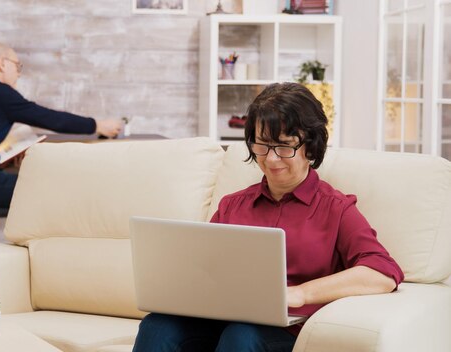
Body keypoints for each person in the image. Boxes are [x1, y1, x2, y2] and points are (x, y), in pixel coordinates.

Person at [132, 82, 404, 352]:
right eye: (262, 145)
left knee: (241, 336)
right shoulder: (233, 205)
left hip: (286, 330)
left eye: (284, 146)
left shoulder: (335, 208)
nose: (272, 159)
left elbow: (383, 272)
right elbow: (206, 269)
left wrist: (301, 293)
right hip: (223, 319)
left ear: (311, 146)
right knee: (158, 326)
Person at [0, 42, 123, 208]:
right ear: (2, 63)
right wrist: (98, 125)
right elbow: (48, 118)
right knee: (56, 188)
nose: (18, 73)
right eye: (17, 66)